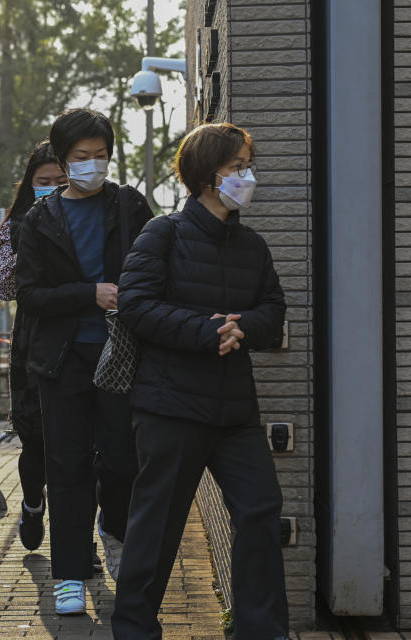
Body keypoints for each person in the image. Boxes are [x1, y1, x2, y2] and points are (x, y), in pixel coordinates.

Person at [111, 122, 289, 640]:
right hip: (170, 405)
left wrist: (243, 327)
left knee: (260, 510)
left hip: (235, 411)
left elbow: (273, 312)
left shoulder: (252, 245)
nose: (247, 175)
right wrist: (207, 331)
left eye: (247, 165)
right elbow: (136, 304)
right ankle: (135, 629)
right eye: (239, 167)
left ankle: (259, 630)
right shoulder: (163, 233)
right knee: (158, 524)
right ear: (210, 176)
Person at [15, 108, 153, 615]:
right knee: (67, 466)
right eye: (82, 157)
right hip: (63, 358)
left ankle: (112, 526)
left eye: (101, 156)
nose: (93, 165)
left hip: (122, 352)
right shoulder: (41, 218)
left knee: (122, 460)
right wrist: (88, 294)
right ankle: (69, 573)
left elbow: (156, 265)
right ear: (62, 158)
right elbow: (30, 295)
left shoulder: (130, 206)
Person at [0, 141, 67, 552]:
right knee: (34, 437)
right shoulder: (16, 225)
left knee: (78, 442)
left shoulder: (87, 218)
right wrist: (35, 237)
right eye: (44, 182)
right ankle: (33, 505)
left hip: (78, 336)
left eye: (60, 180)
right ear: (30, 184)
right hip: (33, 340)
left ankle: (78, 539)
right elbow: (3, 284)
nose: (53, 187)